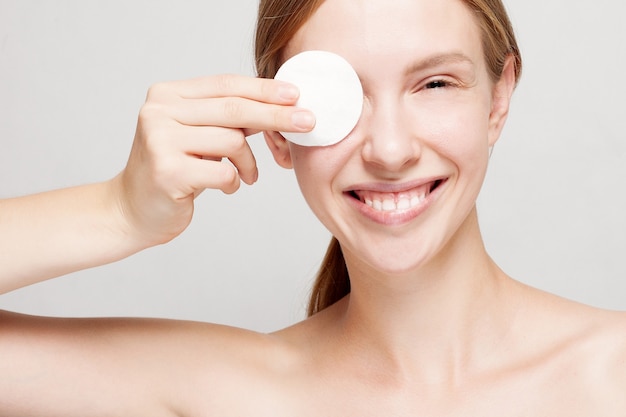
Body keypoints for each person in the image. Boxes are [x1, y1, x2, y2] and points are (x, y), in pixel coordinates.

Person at [1, 0, 625, 415]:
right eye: (341, 97)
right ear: (277, 131)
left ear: (497, 99)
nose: (389, 150)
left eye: (434, 83)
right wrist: (118, 211)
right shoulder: (230, 393)